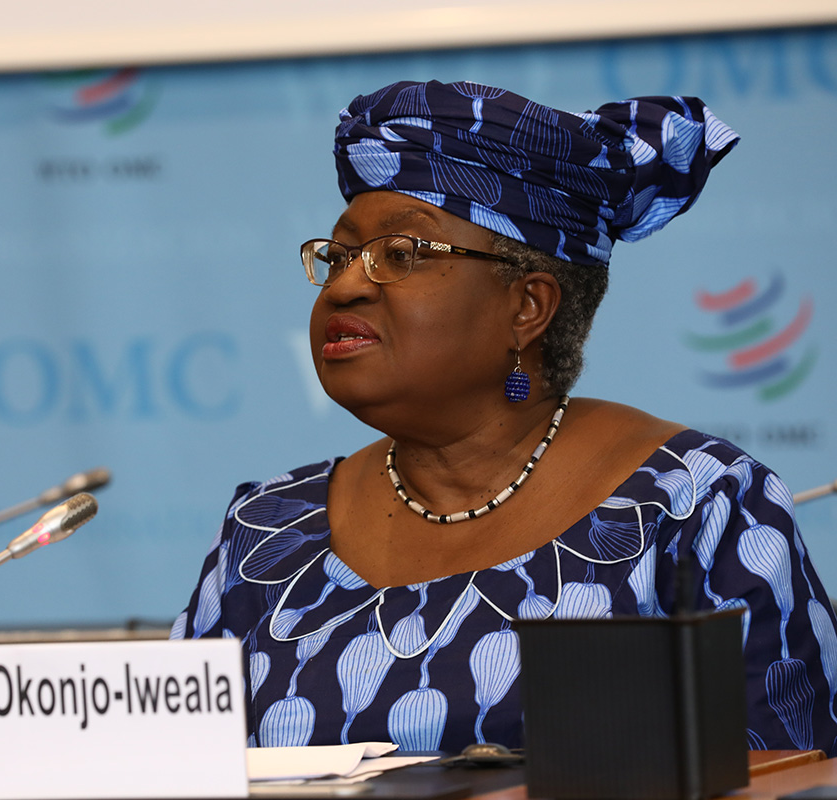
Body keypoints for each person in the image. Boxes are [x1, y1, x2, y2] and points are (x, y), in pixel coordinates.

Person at [171, 79, 837, 755]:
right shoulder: (264, 533)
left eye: (399, 255)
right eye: (339, 257)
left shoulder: (695, 506)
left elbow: (786, 774)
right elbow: (174, 770)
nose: (343, 285)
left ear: (527, 307)